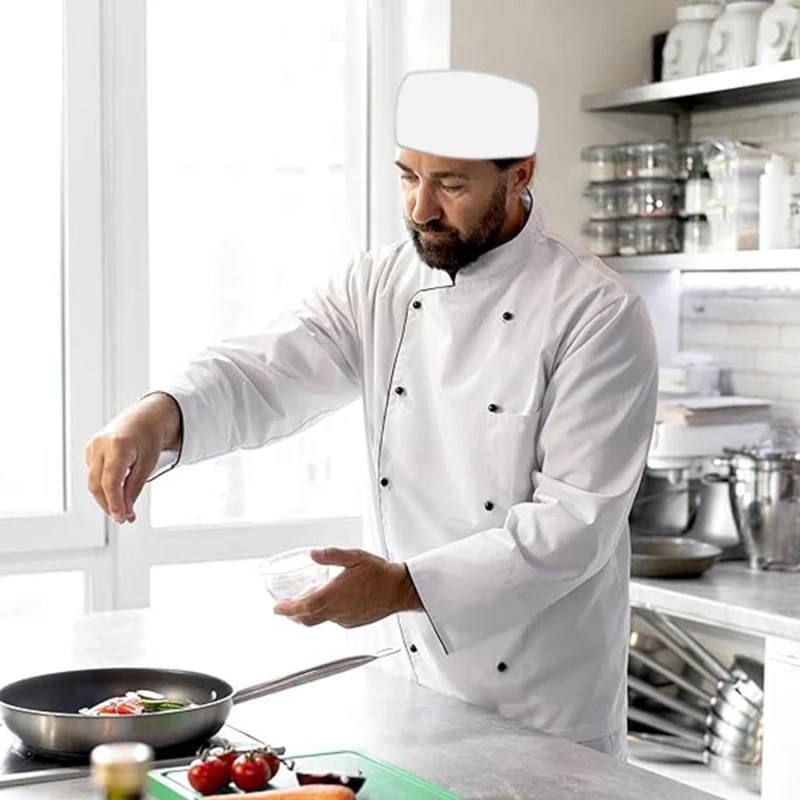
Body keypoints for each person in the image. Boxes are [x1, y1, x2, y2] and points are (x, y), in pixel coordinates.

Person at [85, 70, 658, 759]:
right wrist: (159, 415)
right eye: (407, 176)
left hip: (547, 713)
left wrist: (399, 587)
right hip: (413, 693)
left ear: (521, 173)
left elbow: (572, 528)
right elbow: (264, 371)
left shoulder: (596, 312)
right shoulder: (381, 283)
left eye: (451, 184)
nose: (419, 208)